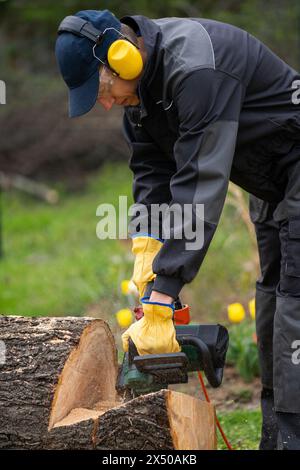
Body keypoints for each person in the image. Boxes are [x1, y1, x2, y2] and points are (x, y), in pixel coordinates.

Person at [55, 9, 300, 449]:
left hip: (294, 163)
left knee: (295, 302)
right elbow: (152, 175)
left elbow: (201, 182)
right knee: (270, 300)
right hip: (272, 182)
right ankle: (275, 435)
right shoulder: (143, 98)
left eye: (104, 89)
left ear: (123, 57)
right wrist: (147, 255)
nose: (106, 103)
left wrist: (166, 292)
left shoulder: (195, 68)